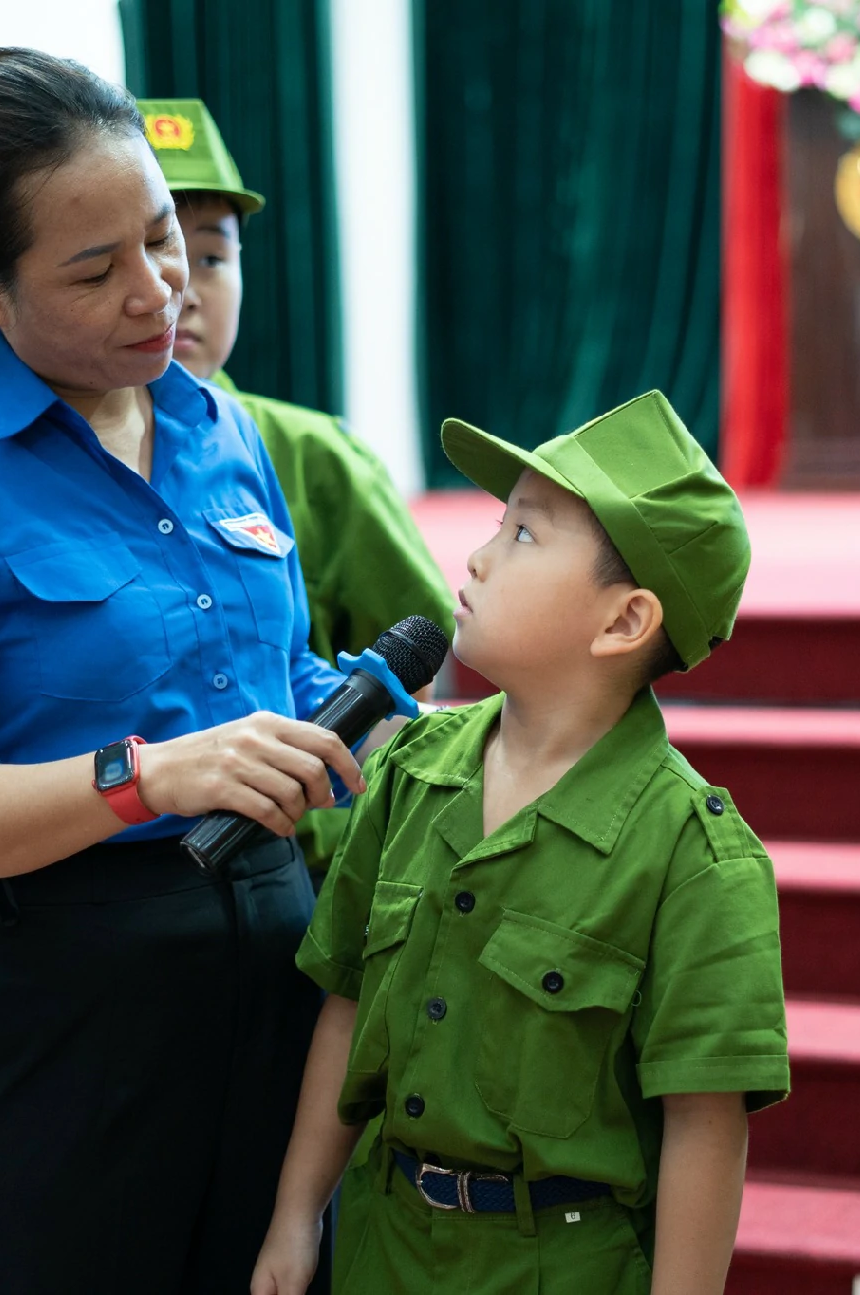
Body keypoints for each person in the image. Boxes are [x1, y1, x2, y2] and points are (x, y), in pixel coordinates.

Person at [0, 49, 369, 1293]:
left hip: (276, 957)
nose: (158, 292)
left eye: (164, 239)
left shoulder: (223, 429)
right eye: (96, 271)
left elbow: (270, 671)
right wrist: (142, 775)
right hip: (68, 993)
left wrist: (364, 717)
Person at [248, 391, 790, 1295]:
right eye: (499, 525)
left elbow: (704, 1123)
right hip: (386, 1240)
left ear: (625, 621)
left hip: (559, 1264)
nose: (478, 556)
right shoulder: (412, 769)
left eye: (526, 535)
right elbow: (345, 1004)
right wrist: (297, 1213)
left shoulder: (694, 854)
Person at [139, 97, 454, 872]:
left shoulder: (317, 457)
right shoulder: (33, 472)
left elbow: (414, 659)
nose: (184, 289)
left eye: (213, 258)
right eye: (153, 252)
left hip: (304, 872)